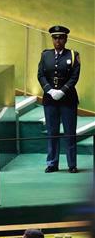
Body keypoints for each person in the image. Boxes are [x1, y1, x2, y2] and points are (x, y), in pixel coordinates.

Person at [37, 25, 81, 173]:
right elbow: (41, 75)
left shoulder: (73, 55)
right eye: (55, 38)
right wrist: (49, 90)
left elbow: (74, 76)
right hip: (50, 100)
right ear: (52, 39)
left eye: (61, 37)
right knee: (52, 132)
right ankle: (52, 163)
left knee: (70, 132)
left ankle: (72, 164)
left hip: (68, 99)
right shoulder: (45, 55)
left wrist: (62, 91)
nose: (58, 40)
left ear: (66, 39)